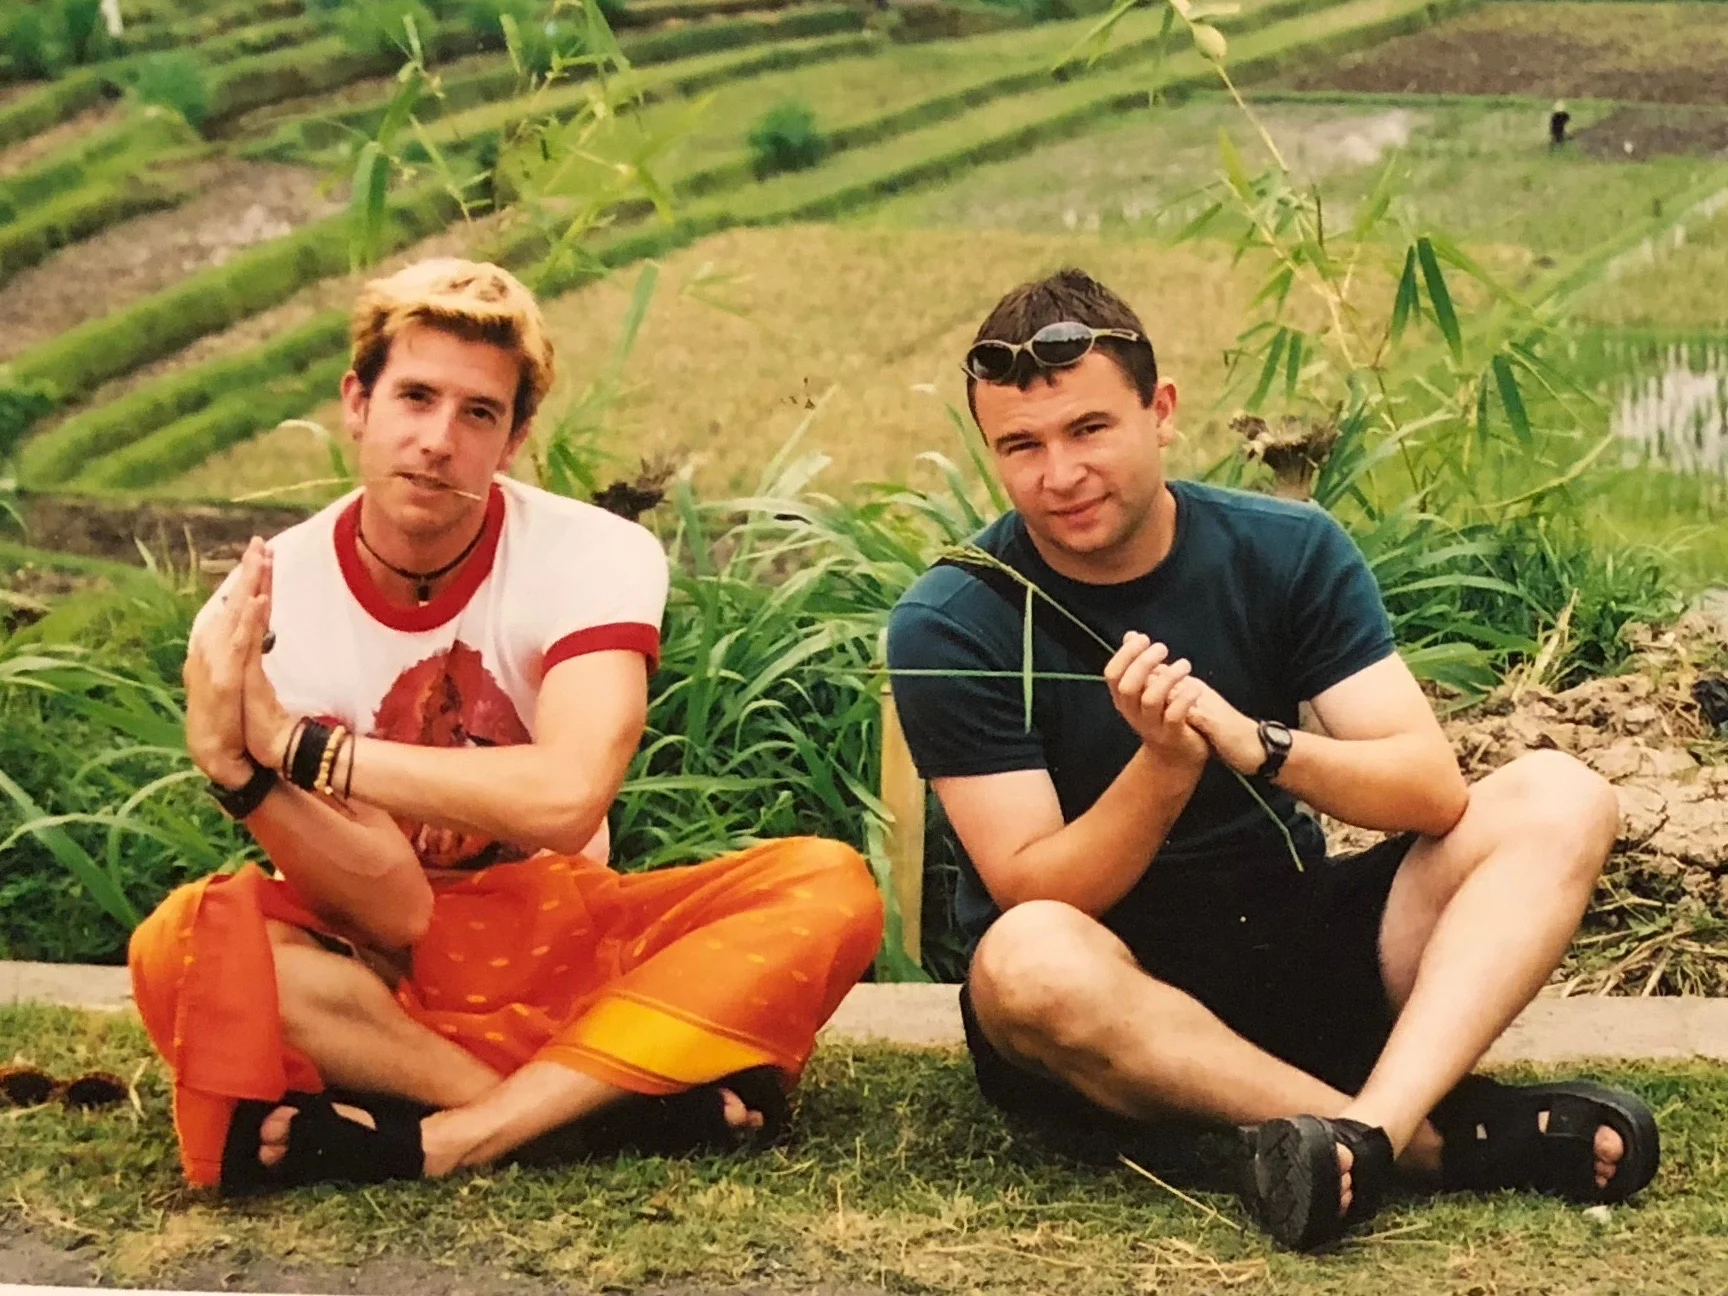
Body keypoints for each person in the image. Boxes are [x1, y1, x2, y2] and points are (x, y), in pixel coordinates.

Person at [885, 268, 1659, 1251]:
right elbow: (1038, 887)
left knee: (1561, 797)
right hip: (1107, 997)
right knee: (1025, 959)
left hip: (1288, 940)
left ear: (1160, 413)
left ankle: (1361, 1137)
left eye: (1089, 430)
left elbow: (1428, 791)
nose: (1061, 474)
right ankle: (1433, 1144)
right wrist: (1163, 768)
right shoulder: (951, 621)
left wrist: (1255, 743)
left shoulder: (1285, 549)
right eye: (1021, 447)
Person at [129, 258, 884, 1195]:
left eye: (477, 412)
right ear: (356, 402)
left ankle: (447, 1135)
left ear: (516, 435)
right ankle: (596, 1109)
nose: (438, 441)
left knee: (828, 883)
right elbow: (396, 911)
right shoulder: (266, 604)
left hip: (574, 943)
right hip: (385, 979)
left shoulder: (592, 552)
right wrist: (233, 775)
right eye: (414, 397)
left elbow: (567, 800)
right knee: (183, 943)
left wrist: (291, 748)